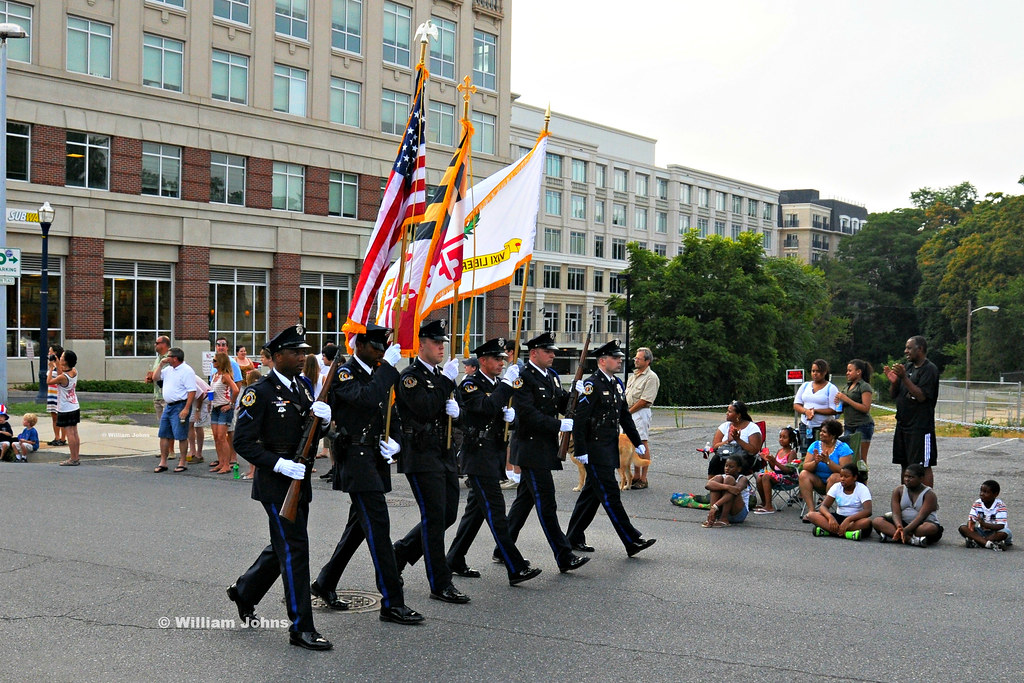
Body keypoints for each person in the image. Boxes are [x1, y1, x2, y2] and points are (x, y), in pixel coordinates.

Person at [227, 324, 334, 651]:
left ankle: (245, 590)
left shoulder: (302, 387)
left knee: (284, 546)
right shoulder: (258, 392)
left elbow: (309, 434)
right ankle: (301, 628)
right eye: (295, 352)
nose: (302, 357)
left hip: (298, 482)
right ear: (274, 357)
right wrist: (277, 463)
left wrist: (325, 422)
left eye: (304, 351)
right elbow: (242, 441)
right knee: (295, 550)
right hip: (276, 485)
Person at [312, 325, 425, 625]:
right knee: (378, 528)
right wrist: (388, 367)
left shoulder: (379, 371)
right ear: (358, 344)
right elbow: (366, 398)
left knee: (358, 529)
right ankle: (392, 602)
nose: (379, 350)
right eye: (374, 345)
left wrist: (397, 441)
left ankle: (325, 582)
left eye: (383, 346)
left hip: (375, 458)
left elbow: (391, 411)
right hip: (356, 459)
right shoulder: (345, 374)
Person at [445, 338, 541, 586]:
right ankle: (515, 566)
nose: (502, 362)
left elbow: (499, 414)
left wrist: (512, 417)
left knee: (475, 513)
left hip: (493, 455)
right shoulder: (470, 385)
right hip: (478, 456)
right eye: (497, 359)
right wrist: (506, 387)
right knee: (497, 513)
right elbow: (486, 407)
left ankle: (454, 558)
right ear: (483, 361)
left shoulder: (498, 384)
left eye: (503, 359)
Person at [392, 319, 470, 604]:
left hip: (444, 453)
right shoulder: (410, 376)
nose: (441, 347)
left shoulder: (441, 374)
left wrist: (457, 411)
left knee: (447, 514)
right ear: (421, 344)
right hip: (421, 455)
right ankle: (440, 583)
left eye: (443, 343)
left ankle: (399, 553)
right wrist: (447, 381)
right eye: (436, 342)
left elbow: (459, 412)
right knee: (435, 519)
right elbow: (423, 408)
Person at [501, 332, 588, 573]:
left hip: (543, 449)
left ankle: (503, 548)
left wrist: (575, 394)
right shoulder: (522, 378)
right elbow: (527, 415)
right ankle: (564, 555)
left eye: (553, 352)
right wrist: (558, 425)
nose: (552, 355)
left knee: (524, 502)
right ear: (534, 352)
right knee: (546, 503)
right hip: (530, 449)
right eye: (548, 351)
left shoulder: (551, 376)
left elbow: (561, 404)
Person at [566, 339, 656, 557]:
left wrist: (636, 443)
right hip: (594, 451)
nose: (620, 361)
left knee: (591, 497)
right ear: (602, 360)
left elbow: (624, 415)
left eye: (620, 358)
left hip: (609, 447)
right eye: (615, 358)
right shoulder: (591, 385)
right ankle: (631, 540)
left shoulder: (616, 383)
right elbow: (580, 419)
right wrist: (580, 450)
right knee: (610, 495)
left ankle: (572, 538)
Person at [885, 336, 939, 488]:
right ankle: (906, 501)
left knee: (922, 465)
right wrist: (895, 382)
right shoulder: (907, 368)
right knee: (905, 464)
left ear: (920, 349)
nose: (905, 351)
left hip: (920, 427)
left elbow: (921, 396)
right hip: (903, 424)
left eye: (909, 348)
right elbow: (893, 395)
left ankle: (925, 503)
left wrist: (904, 378)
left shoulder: (929, 369)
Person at [871, 464, 942, 546]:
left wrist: (906, 530)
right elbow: (896, 513)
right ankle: (911, 539)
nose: (907, 479)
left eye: (911, 477)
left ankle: (893, 536)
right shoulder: (898, 491)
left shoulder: (929, 494)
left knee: (929, 528)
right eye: (905, 476)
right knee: (877, 521)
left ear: (921, 478)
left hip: (921, 524)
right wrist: (899, 527)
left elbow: (921, 517)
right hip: (902, 523)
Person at [797, 419, 854, 522]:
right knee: (804, 474)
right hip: (818, 481)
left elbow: (845, 471)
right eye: (821, 431)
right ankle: (812, 511)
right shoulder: (815, 445)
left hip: (835, 483)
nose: (821, 434)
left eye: (824, 432)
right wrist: (816, 462)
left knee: (835, 476)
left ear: (832, 435)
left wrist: (828, 462)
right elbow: (805, 466)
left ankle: (824, 510)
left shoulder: (843, 448)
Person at [154, 347, 197, 474]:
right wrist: (161, 365)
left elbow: (191, 391)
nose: (166, 358)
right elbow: (156, 378)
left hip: (180, 405)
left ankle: (182, 462)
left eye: (169, 356)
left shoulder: (187, 371)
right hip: (169, 405)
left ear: (175, 358)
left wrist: (186, 408)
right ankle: (163, 462)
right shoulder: (168, 369)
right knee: (163, 434)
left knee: (181, 435)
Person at [805, 464, 872, 540]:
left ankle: (829, 531)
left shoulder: (862, 489)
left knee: (867, 522)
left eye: (846, 477)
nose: (842, 479)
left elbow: (868, 511)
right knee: (811, 515)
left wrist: (848, 519)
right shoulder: (837, 486)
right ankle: (848, 534)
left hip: (854, 519)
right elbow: (823, 506)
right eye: (841, 476)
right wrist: (830, 518)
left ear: (855, 477)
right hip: (838, 518)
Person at [625, 346, 660, 489]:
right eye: (635, 358)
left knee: (641, 442)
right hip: (629, 412)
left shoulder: (651, 377)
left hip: (640, 413)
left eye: (638, 359)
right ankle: (635, 475)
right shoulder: (633, 376)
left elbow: (644, 400)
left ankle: (643, 479)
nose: (636, 361)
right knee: (631, 443)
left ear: (647, 361)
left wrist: (629, 412)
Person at [793, 359, 840, 455]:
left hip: (822, 427)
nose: (815, 374)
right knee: (805, 453)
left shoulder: (831, 388)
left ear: (825, 372)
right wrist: (806, 411)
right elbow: (796, 404)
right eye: (813, 371)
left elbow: (834, 410)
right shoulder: (805, 386)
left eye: (818, 371)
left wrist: (816, 411)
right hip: (805, 426)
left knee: (821, 452)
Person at [836, 359, 874, 473]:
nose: (847, 373)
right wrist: (840, 402)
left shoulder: (864, 386)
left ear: (859, 372)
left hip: (863, 425)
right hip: (849, 425)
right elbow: (845, 405)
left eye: (850, 370)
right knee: (849, 456)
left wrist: (847, 399)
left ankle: (863, 484)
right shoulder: (847, 387)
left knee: (860, 459)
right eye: (847, 370)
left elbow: (865, 408)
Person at [709, 400, 763, 478]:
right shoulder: (725, 426)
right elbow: (715, 447)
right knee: (716, 459)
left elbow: (754, 451)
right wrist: (728, 441)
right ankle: (712, 486)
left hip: (745, 459)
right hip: (726, 456)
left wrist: (738, 439)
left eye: (730, 412)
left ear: (738, 415)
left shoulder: (752, 428)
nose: (726, 413)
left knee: (733, 463)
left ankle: (731, 486)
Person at [754, 426, 799, 514]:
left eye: (784, 437)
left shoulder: (792, 453)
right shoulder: (779, 450)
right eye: (780, 437)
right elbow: (774, 468)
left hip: (787, 478)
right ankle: (764, 502)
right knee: (760, 477)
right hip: (778, 476)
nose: (781, 439)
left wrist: (775, 462)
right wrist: (768, 460)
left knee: (766, 476)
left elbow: (788, 470)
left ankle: (769, 506)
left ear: (791, 439)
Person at [958, 480, 1012, 551]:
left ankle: (978, 542)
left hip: (996, 531)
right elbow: (971, 520)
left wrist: (984, 524)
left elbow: (1000, 526)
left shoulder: (1000, 505)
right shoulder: (977, 503)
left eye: (986, 492)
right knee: (963, 527)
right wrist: (971, 526)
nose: (982, 494)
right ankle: (989, 544)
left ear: (995, 494)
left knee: (1004, 533)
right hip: (981, 531)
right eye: (981, 491)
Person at [49, 350, 81, 467]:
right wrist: (58, 364)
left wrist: (51, 368)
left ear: (65, 360)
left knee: (69, 434)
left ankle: (72, 459)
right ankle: (76, 457)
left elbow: (49, 381)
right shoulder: (74, 371)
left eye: (62, 356)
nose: (60, 357)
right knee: (74, 432)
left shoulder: (63, 376)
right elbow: (61, 375)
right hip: (74, 405)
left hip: (65, 407)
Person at [208, 352, 239, 474]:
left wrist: (231, 404)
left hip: (224, 408)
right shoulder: (215, 375)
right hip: (215, 407)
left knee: (222, 436)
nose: (213, 363)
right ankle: (221, 462)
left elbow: (235, 389)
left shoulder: (225, 376)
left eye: (215, 361)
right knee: (216, 437)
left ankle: (227, 464)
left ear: (221, 362)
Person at [702, 454, 751, 527]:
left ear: (739, 469)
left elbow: (735, 491)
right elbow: (708, 485)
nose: (727, 468)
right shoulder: (721, 476)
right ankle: (712, 517)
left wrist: (715, 506)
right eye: (726, 466)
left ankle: (724, 519)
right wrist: (727, 487)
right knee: (717, 479)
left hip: (737, 514)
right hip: (719, 509)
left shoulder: (743, 479)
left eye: (731, 467)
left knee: (729, 479)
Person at [188, 374, 211, 464]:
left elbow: (201, 393)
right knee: (189, 424)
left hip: (203, 398)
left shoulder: (187, 377)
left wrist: (198, 410)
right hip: (194, 398)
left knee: (198, 425)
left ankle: (199, 454)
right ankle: (192, 451)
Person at [146, 336, 171, 418]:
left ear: (164, 344)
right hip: (157, 396)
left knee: (167, 424)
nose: (154, 345)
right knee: (162, 424)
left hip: (166, 397)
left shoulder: (170, 358)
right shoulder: (158, 358)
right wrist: (150, 378)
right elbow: (156, 375)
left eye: (157, 343)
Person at [45, 344, 66, 446]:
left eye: (50, 352)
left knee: (61, 417)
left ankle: (63, 438)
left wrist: (57, 364)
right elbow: (48, 379)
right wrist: (50, 367)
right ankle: (56, 437)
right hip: (51, 394)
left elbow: (60, 376)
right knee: (54, 417)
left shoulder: (62, 364)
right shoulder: (51, 364)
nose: (49, 353)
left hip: (59, 394)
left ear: (56, 353)